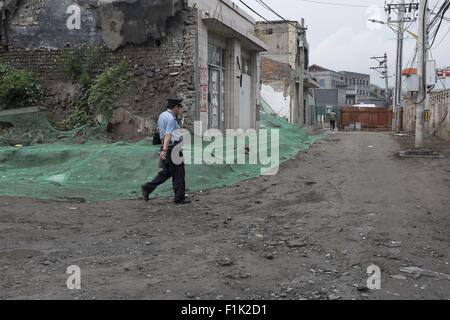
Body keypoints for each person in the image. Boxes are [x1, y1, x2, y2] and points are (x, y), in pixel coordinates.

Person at [141, 97, 191, 205]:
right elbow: (168, 135)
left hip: (167, 147)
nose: (179, 110)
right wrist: (164, 150)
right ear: (175, 107)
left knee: (166, 172)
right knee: (179, 173)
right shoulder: (171, 119)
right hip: (172, 149)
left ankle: (147, 187)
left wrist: (164, 149)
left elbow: (161, 132)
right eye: (179, 107)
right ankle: (179, 198)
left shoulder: (162, 115)